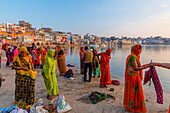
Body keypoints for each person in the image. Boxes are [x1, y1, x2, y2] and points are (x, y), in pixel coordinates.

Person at [123, 44, 150, 113]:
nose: (141, 51)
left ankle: (130, 106)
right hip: (133, 77)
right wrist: (145, 66)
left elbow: (132, 67)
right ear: (136, 50)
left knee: (131, 91)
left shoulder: (132, 56)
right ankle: (133, 107)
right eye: (140, 50)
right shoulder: (133, 57)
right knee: (134, 91)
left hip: (130, 76)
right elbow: (135, 68)